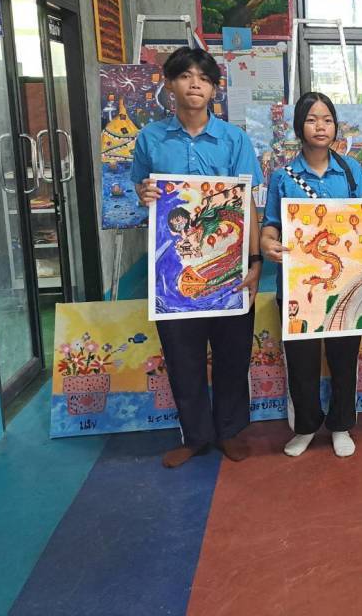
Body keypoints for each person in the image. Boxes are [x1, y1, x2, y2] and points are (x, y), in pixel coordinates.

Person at [133, 47, 263, 468]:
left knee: (232, 352)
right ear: (169, 84)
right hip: (173, 268)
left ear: (214, 89)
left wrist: (255, 261)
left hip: (228, 267)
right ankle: (194, 436)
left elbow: (247, 203)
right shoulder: (151, 139)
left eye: (204, 79)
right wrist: (143, 193)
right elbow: (141, 192)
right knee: (182, 355)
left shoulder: (234, 140)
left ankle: (229, 431)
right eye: (186, 76)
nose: (195, 84)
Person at [260, 92, 362, 458]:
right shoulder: (283, 176)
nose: (321, 126)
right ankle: (305, 427)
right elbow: (270, 225)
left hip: (347, 280)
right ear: (299, 126)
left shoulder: (351, 171)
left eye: (328, 120)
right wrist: (268, 244)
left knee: (344, 358)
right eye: (312, 119)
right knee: (301, 362)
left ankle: (341, 425)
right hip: (297, 286)